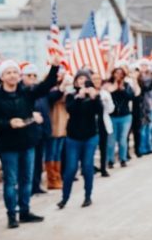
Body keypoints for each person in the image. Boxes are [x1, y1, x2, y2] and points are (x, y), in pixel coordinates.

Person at [0, 55, 60, 228]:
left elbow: (45, 87)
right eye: (8, 72)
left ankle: (25, 211)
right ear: (2, 76)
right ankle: (12, 215)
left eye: (15, 72)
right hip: (8, 146)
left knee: (26, 179)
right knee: (11, 182)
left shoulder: (26, 93)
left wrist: (54, 68)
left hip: (28, 143)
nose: (12, 75)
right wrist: (9, 123)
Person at [57, 71, 103, 209]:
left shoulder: (94, 94)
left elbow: (99, 111)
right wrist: (79, 97)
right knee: (70, 168)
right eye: (79, 78)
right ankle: (64, 198)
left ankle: (88, 196)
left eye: (85, 78)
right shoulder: (71, 95)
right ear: (76, 81)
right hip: (73, 137)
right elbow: (70, 110)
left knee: (87, 166)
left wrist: (95, 98)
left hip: (90, 136)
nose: (82, 81)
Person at [21, 63, 53, 195]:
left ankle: (36, 184)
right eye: (29, 75)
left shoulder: (40, 93)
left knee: (38, 160)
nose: (32, 78)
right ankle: (27, 188)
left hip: (40, 132)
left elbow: (50, 90)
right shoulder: (22, 92)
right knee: (28, 164)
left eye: (34, 75)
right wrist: (31, 116)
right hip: (26, 134)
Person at [46, 67, 71, 190]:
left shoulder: (65, 89)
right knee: (51, 153)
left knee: (58, 154)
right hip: (53, 124)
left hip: (63, 124)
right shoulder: (51, 89)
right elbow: (53, 97)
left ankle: (58, 177)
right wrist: (62, 87)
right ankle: (52, 179)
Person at [107, 67, 134, 168]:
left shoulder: (126, 85)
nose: (118, 75)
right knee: (111, 140)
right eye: (116, 73)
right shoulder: (109, 85)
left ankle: (123, 159)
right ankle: (110, 160)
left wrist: (123, 90)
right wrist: (114, 88)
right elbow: (106, 95)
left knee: (123, 139)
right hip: (112, 116)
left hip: (125, 116)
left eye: (120, 73)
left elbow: (131, 97)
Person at [92, 72, 114, 176]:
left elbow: (110, 110)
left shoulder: (105, 93)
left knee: (103, 146)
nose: (96, 81)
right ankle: (91, 167)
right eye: (94, 79)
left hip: (103, 122)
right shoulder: (89, 93)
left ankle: (103, 168)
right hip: (92, 123)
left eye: (98, 79)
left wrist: (107, 101)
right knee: (92, 147)